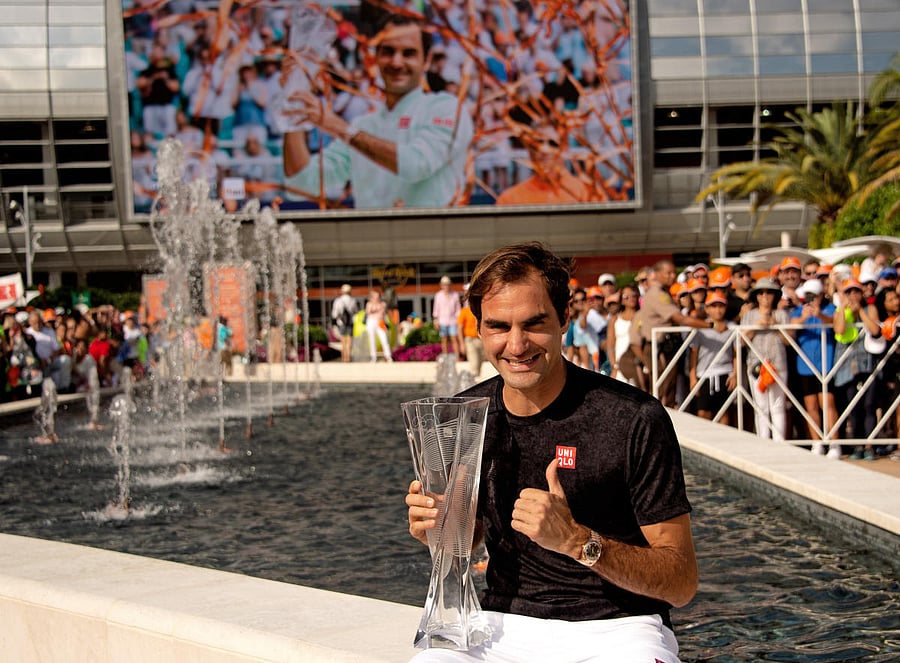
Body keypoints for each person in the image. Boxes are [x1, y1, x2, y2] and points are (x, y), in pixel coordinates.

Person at [406, 242, 697, 663]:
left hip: (621, 627)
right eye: (499, 326)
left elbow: (681, 581)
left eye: (534, 323)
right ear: (480, 329)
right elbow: (468, 543)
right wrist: (439, 529)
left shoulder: (633, 418)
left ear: (564, 319)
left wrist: (578, 541)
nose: (517, 344)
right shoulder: (464, 416)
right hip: (501, 622)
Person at [282, 15, 473, 209]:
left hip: (433, 239)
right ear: (375, 57)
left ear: (426, 60)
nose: (397, 63)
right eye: (388, 52)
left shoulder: (447, 109)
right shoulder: (364, 125)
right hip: (372, 239)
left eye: (409, 53)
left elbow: (415, 165)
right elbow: (301, 184)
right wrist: (295, 96)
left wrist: (339, 127)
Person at [631, 259, 712, 407]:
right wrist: (709, 325)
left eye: (674, 272)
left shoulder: (662, 292)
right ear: (656, 274)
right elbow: (678, 318)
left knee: (668, 391)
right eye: (668, 273)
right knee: (663, 391)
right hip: (658, 348)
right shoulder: (657, 294)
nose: (672, 276)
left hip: (665, 346)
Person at [791, 278, 839, 457]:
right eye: (807, 296)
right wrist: (804, 317)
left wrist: (819, 315)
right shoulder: (798, 311)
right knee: (810, 405)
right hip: (805, 365)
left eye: (813, 296)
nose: (810, 300)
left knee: (828, 403)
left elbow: (835, 321)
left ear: (820, 295)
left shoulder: (829, 308)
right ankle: (817, 442)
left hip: (826, 365)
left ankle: (834, 443)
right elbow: (790, 328)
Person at [741, 277, 790, 441]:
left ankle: (779, 442)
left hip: (778, 363)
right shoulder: (749, 316)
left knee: (777, 405)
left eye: (769, 292)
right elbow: (740, 341)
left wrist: (775, 326)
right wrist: (756, 326)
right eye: (761, 293)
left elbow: (789, 341)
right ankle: (763, 440)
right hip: (756, 364)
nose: (765, 296)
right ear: (756, 296)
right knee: (761, 406)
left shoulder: (781, 314)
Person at [495, 121, 590, 205]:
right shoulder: (509, 200)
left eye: (553, 143)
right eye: (538, 143)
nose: (545, 150)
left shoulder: (587, 194)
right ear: (529, 150)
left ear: (565, 149)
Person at [688, 292, 737, 424]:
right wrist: (693, 378)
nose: (718, 310)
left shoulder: (732, 327)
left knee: (724, 412)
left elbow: (735, 353)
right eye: (713, 306)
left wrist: (735, 374)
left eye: (721, 306)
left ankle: (724, 442)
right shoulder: (701, 327)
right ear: (707, 309)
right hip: (704, 374)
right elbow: (694, 353)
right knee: (703, 412)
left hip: (725, 373)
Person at [457, 287, 484, 379]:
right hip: (470, 340)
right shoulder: (464, 311)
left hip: (480, 340)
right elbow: (459, 328)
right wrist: (461, 344)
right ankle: (475, 388)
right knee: (474, 364)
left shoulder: (480, 310)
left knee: (479, 364)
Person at [432, 275, 461, 355]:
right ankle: (445, 356)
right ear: (441, 285)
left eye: (447, 284)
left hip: (453, 321)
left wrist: (458, 321)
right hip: (442, 321)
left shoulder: (455, 295)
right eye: (444, 284)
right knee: (444, 340)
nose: (446, 286)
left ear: (450, 284)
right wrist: (436, 321)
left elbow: (458, 309)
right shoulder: (438, 295)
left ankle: (457, 357)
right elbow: (436, 309)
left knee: (454, 339)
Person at [331, 284, 358, 363]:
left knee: (343, 340)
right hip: (350, 321)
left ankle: (344, 357)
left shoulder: (338, 300)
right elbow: (355, 311)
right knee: (349, 339)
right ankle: (348, 357)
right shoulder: (353, 300)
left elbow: (334, 314)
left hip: (341, 322)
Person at [364, 289, 393, 363]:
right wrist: (374, 305)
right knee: (372, 339)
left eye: (378, 295)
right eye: (375, 296)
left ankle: (388, 356)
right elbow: (368, 312)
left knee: (384, 339)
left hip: (380, 322)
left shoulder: (383, 304)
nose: (377, 297)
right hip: (371, 322)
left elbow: (384, 313)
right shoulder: (369, 304)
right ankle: (373, 357)